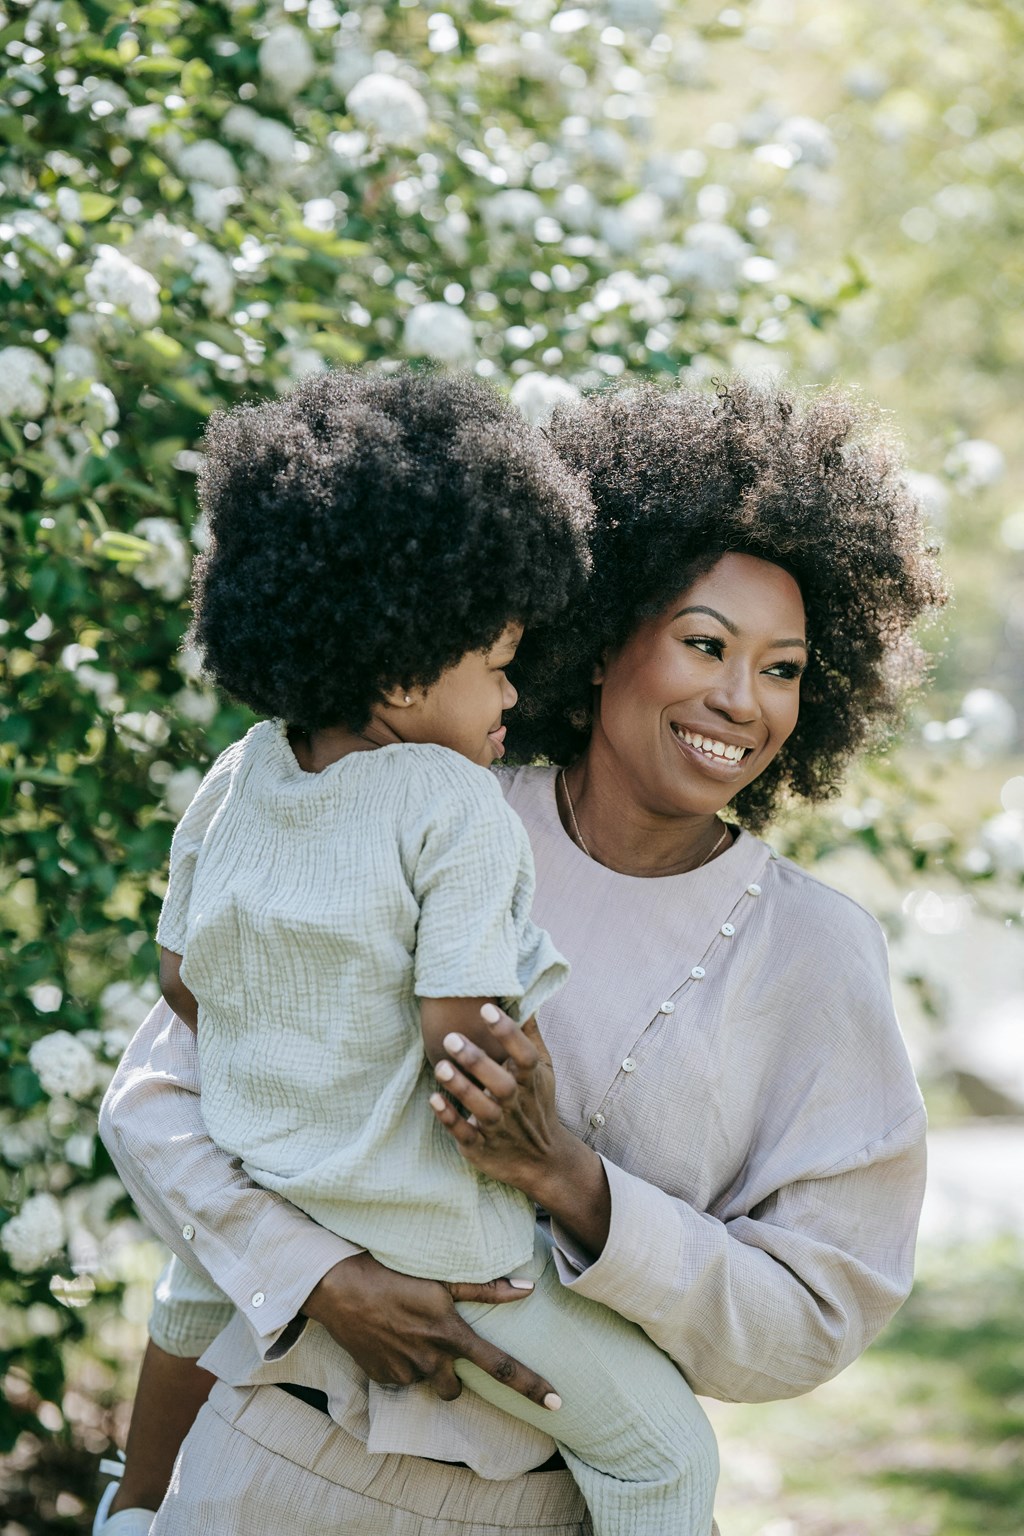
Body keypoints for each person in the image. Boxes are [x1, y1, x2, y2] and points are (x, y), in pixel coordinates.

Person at [99, 377, 944, 1536]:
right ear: (600, 648)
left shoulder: (815, 954)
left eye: (785, 668)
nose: (741, 700)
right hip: (258, 1466)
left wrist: (573, 1183)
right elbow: (160, 1098)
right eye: (705, 643)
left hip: (536, 1507)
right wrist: (314, 1277)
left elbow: (816, 1314)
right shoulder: (412, 803)